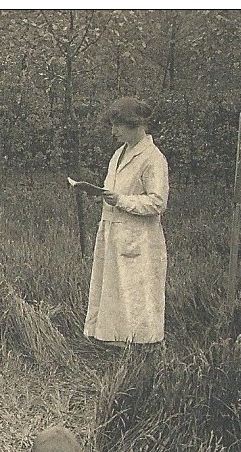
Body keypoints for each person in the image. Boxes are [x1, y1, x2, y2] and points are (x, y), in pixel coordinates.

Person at [84, 96, 169, 346]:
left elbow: (157, 202)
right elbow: (115, 189)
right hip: (112, 229)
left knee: (135, 291)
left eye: (118, 126)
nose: (113, 131)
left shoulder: (153, 158)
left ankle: (139, 344)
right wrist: (100, 196)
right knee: (112, 286)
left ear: (135, 125)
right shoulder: (119, 154)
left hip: (138, 235)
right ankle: (111, 337)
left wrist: (120, 200)